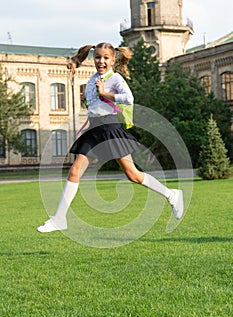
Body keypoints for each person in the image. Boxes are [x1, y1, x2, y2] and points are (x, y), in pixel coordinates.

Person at [37, 42, 183, 233]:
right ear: (93, 58)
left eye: (106, 57)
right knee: (74, 171)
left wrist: (105, 93)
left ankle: (171, 195)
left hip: (110, 128)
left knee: (133, 175)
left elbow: (129, 99)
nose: (101, 61)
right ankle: (59, 219)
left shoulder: (115, 79)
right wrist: (87, 99)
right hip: (94, 129)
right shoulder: (91, 80)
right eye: (98, 57)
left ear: (113, 59)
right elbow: (93, 104)